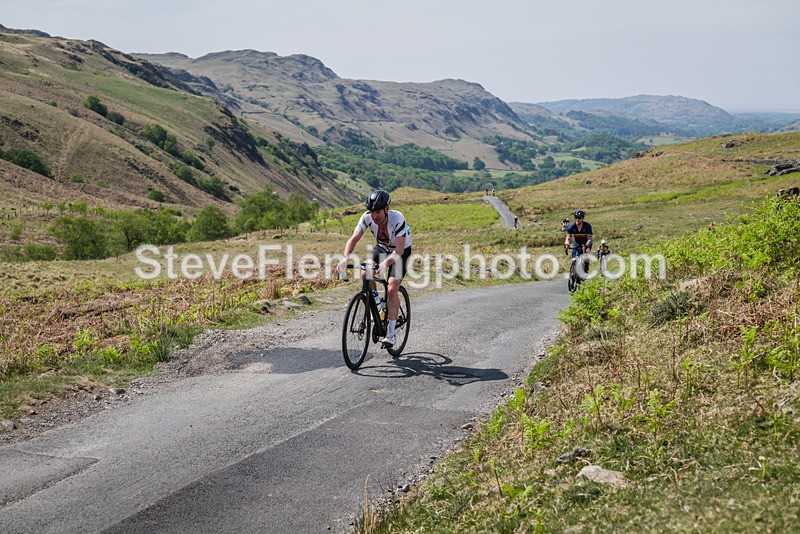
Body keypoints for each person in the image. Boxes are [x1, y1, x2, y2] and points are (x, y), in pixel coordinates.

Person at [337, 189, 412, 347]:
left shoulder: (397, 218)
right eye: (372, 212)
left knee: (392, 288)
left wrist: (385, 264)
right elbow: (354, 239)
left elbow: (398, 251)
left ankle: (391, 334)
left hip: (400, 252)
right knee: (365, 273)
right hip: (382, 247)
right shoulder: (366, 218)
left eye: (378, 212)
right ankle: (379, 305)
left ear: (387, 209)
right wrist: (344, 258)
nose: (374, 216)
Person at [565, 210, 593, 275]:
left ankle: (586, 270)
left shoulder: (587, 226)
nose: (577, 219)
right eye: (576, 217)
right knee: (575, 259)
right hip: (577, 244)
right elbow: (568, 238)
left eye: (579, 218)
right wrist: (566, 245)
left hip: (586, 243)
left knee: (586, 254)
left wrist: (586, 246)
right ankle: (574, 274)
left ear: (583, 218)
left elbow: (590, 239)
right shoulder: (571, 226)